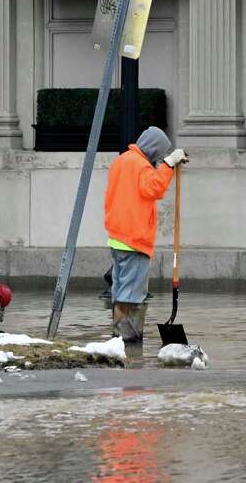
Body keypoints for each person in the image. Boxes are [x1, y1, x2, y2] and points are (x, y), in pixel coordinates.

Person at [104, 126, 188, 341]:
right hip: (135, 239)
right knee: (132, 293)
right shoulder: (140, 165)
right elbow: (154, 188)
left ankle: (118, 338)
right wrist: (169, 164)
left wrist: (166, 164)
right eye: (159, 155)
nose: (158, 160)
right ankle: (129, 342)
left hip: (117, 237)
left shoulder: (122, 160)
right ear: (154, 149)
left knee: (121, 290)